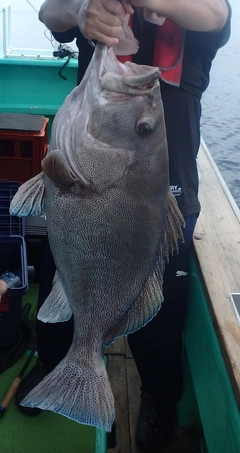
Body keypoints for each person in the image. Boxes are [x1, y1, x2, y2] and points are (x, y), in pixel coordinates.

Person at [16, 1, 231, 452]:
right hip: (83, 182)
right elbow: (48, 12)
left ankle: (159, 398)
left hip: (166, 197)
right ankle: (58, 362)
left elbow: (217, 15)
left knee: (160, 317)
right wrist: (80, 14)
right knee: (60, 279)